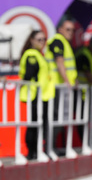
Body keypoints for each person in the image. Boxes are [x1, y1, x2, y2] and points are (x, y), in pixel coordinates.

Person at [18, 30, 54, 160]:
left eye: (44, 39)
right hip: (34, 95)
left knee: (38, 123)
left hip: (41, 95)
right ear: (32, 40)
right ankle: (32, 152)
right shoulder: (32, 54)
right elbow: (29, 75)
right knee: (34, 124)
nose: (42, 42)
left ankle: (36, 151)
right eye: (39, 39)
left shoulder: (39, 54)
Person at [45, 19, 78, 154]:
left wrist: (73, 81)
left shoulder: (65, 43)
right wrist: (67, 81)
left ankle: (53, 148)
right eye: (68, 29)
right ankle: (49, 148)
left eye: (73, 30)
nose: (71, 33)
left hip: (62, 87)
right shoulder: (57, 41)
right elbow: (59, 61)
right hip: (56, 87)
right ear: (60, 29)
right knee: (55, 118)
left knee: (61, 119)